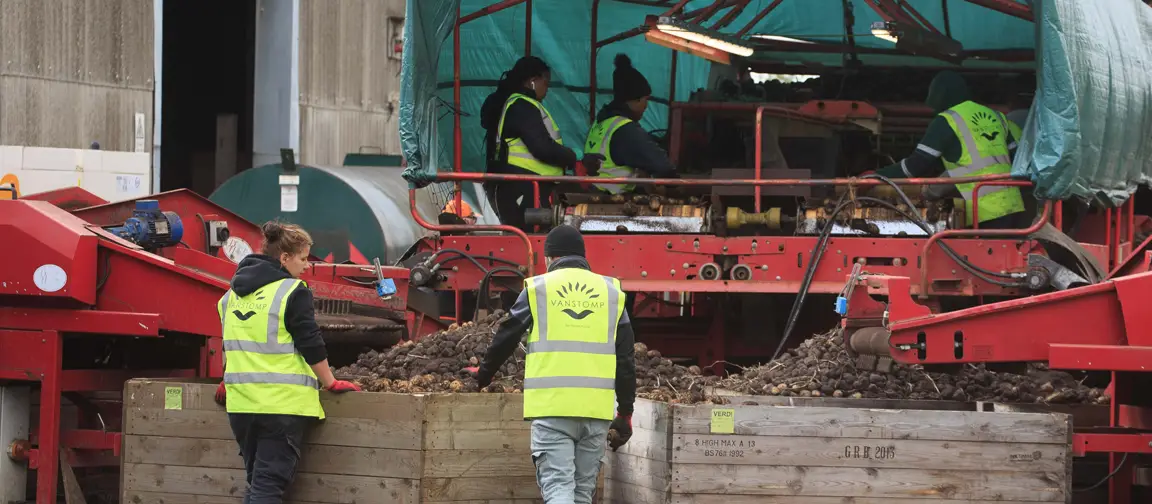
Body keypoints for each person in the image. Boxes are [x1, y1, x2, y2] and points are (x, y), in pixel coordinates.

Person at [468, 225, 637, 504]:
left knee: (558, 489)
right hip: (596, 413)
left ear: (549, 258)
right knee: (582, 495)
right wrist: (626, 411)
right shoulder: (612, 292)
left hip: (552, 409)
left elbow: (508, 334)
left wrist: (483, 375)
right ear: (583, 258)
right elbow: (626, 358)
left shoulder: (539, 288)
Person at [213, 221, 362, 504]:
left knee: (258, 482)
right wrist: (330, 381)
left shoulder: (229, 296)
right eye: (303, 259)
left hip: (242, 406)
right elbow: (310, 342)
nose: (307, 266)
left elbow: (230, 343)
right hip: (281, 407)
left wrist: (227, 378)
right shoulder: (292, 291)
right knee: (268, 487)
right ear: (284, 258)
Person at [876, 70, 1026, 229]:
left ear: (939, 96)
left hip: (982, 210)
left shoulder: (947, 120)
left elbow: (915, 166)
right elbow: (1016, 160)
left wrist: (875, 176)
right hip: (1013, 205)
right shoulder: (997, 116)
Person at [480, 56, 579, 231]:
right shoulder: (522, 106)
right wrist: (573, 156)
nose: (547, 90)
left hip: (520, 187)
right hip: (525, 188)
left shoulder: (517, 104)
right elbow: (542, 147)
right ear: (533, 81)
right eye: (545, 83)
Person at [584, 54, 678, 195]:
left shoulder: (602, 120)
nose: (646, 107)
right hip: (610, 202)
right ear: (634, 100)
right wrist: (680, 186)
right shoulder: (625, 129)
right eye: (645, 100)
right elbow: (661, 165)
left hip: (594, 192)